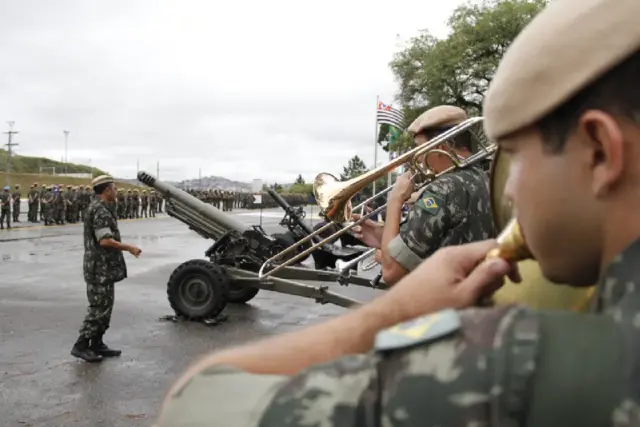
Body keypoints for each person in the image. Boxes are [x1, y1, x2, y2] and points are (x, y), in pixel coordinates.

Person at [153, 0, 640, 425]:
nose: (508, 189)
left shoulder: (511, 363)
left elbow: (195, 404)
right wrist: (376, 231)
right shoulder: (473, 183)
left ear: (599, 152)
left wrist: (397, 298)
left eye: (515, 158)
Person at [353, 105, 495, 285]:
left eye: (420, 149)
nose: (418, 158)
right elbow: (436, 238)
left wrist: (395, 199)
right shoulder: (485, 178)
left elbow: (391, 272)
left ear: (441, 147)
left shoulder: (441, 190)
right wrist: (381, 234)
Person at [70, 175, 142, 363]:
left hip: (103, 267)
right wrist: (129, 248)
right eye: (114, 188)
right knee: (98, 308)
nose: (116, 192)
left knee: (106, 307)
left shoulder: (101, 207)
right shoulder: (100, 210)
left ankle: (97, 343)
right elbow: (105, 240)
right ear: (107, 190)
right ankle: (81, 345)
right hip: (98, 268)